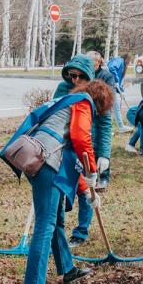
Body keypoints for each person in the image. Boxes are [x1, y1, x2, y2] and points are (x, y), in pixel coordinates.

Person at [11, 79, 111, 284]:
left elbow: (72, 157)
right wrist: (92, 171)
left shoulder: (68, 102)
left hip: (39, 159)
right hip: (47, 163)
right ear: (101, 101)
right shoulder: (84, 103)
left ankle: (67, 269)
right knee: (45, 225)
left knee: (55, 220)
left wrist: (87, 191)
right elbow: (80, 138)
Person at [53, 54, 114, 246]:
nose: (76, 80)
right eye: (72, 75)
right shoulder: (64, 89)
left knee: (88, 192)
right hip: (65, 147)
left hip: (88, 147)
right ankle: (59, 234)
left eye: (81, 76)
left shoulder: (98, 91)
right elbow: (54, 115)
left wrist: (104, 154)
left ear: (90, 76)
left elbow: (105, 124)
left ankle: (81, 232)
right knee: (61, 189)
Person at [107, 54, 131, 133]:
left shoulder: (121, 63)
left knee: (111, 108)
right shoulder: (119, 60)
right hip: (110, 85)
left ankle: (110, 128)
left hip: (113, 86)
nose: (129, 63)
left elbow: (119, 81)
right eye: (129, 61)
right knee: (115, 107)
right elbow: (111, 68)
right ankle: (120, 127)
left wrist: (121, 90)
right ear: (126, 59)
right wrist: (116, 80)